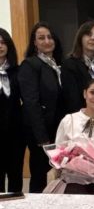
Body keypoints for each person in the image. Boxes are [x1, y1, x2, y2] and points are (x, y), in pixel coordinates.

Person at [18, 22, 64, 192]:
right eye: (41, 38)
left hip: (56, 128)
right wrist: (42, 137)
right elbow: (31, 103)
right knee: (40, 174)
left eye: (50, 37)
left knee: (56, 173)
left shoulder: (57, 65)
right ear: (34, 43)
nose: (47, 41)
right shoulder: (30, 65)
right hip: (39, 132)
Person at [61, 20, 94, 113]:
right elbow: (71, 99)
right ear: (81, 37)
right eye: (89, 34)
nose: (93, 38)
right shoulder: (69, 64)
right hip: (80, 117)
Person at [0, 28, 25, 192]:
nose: (0, 46)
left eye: (3, 42)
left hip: (15, 130)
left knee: (15, 174)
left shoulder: (18, 71)